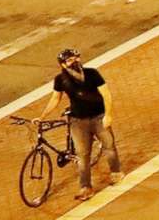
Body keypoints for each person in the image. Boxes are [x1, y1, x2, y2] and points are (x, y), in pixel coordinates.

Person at [50, 46, 119, 201]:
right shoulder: (60, 80)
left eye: (76, 58)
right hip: (78, 121)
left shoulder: (92, 74)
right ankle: (85, 187)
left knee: (109, 147)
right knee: (82, 156)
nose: (74, 61)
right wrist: (41, 116)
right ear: (62, 64)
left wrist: (108, 115)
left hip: (98, 117)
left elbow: (106, 95)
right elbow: (55, 98)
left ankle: (115, 172)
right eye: (69, 60)